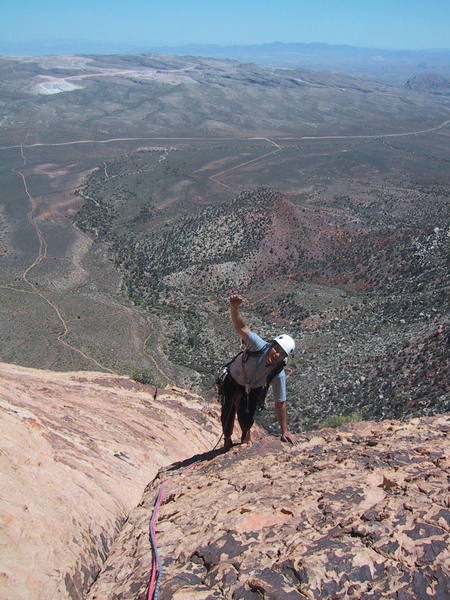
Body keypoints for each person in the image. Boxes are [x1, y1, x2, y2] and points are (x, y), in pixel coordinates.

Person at [220, 294, 297, 449]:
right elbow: (241, 328)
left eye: (281, 354)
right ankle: (227, 439)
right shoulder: (257, 345)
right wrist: (234, 308)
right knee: (227, 413)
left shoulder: (278, 372)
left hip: (253, 388)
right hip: (233, 380)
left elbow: (280, 401)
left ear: (284, 358)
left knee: (247, 418)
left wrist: (285, 431)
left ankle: (245, 435)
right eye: (277, 349)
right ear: (271, 344)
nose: (276, 354)